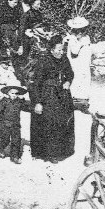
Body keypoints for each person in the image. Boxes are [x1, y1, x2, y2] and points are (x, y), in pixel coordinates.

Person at [28, 35, 76, 163]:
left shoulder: (64, 59)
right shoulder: (43, 61)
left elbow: (70, 73)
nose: (61, 52)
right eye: (58, 50)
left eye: (62, 50)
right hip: (47, 94)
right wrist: (38, 102)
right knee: (49, 122)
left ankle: (61, 151)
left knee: (63, 121)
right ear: (51, 50)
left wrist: (68, 81)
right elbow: (36, 83)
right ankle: (47, 153)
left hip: (62, 94)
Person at [0, 85, 30, 164]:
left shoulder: (19, 102)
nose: (14, 95)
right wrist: (1, 123)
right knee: (5, 139)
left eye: (16, 93)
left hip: (16, 125)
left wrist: (33, 108)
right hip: (5, 125)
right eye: (12, 93)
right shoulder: (3, 102)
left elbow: (26, 107)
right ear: (8, 93)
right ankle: (1, 148)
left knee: (16, 141)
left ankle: (15, 156)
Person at [65, 17, 93, 113]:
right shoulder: (72, 38)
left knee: (85, 83)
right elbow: (74, 51)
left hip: (85, 64)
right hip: (76, 64)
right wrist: (80, 43)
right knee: (75, 82)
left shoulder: (86, 37)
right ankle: (70, 102)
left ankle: (83, 103)